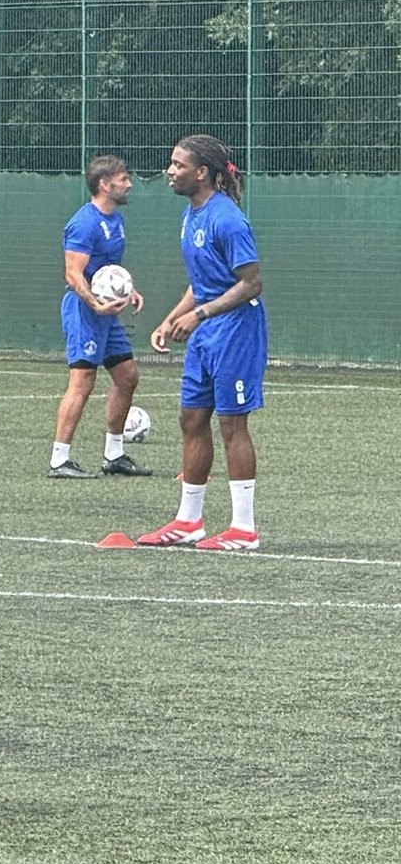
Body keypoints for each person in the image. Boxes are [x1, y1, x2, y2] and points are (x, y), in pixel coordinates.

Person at [137, 134, 267, 551]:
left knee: (232, 424)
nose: (169, 171)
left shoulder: (227, 218)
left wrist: (200, 315)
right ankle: (188, 522)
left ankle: (243, 529)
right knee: (191, 421)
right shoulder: (190, 216)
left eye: (177, 164)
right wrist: (171, 318)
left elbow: (250, 283)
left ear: (202, 173)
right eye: (170, 162)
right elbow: (202, 283)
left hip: (236, 331)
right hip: (206, 333)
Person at [49, 155, 152, 479]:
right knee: (82, 381)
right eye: (123, 178)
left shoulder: (116, 220)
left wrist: (126, 290)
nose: (129, 183)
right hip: (85, 311)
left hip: (107, 313)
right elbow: (73, 274)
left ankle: (114, 454)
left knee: (127, 377)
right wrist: (95, 304)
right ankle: (59, 460)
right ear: (105, 185)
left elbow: (107, 270)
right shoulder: (85, 223)